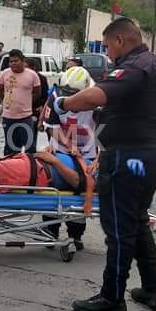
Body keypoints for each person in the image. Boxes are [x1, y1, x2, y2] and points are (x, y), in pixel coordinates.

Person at [54, 17, 156, 311]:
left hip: (126, 157)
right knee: (137, 221)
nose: (107, 53)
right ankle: (152, 289)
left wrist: (64, 104)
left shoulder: (133, 67)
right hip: (149, 154)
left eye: (107, 46)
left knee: (119, 229)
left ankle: (112, 296)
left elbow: (96, 95)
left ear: (120, 40)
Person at [42, 66, 98, 250]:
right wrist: (68, 144)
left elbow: (107, 134)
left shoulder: (97, 102)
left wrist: (98, 159)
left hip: (87, 155)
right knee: (53, 190)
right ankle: (50, 230)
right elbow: (52, 127)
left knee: (80, 191)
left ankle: (76, 234)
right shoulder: (57, 97)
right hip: (61, 150)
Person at [0, 49, 41, 155]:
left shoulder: (32, 75)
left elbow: (37, 93)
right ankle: (11, 169)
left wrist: (25, 102)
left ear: (22, 60)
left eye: (16, 61)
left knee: (29, 147)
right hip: (8, 118)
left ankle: (30, 169)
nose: (13, 64)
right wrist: (8, 101)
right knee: (11, 148)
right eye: (11, 61)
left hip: (26, 117)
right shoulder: (4, 74)